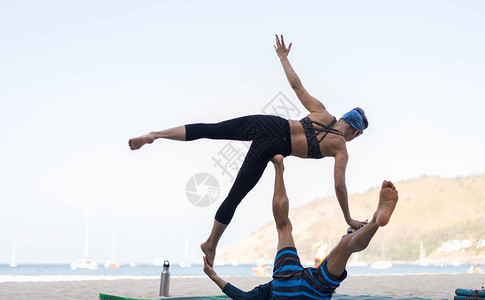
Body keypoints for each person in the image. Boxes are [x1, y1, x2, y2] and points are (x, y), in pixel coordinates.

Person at [129, 35, 369, 267]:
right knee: (236, 195)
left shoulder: (322, 112)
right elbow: (339, 186)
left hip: (270, 124)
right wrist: (348, 218)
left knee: (211, 129)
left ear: (344, 117)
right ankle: (211, 243)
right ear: (356, 133)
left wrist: (283, 58)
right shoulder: (340, 148)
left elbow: (296, 86)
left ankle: (155, 135)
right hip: (274, 148)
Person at [203, 155, 399, 299]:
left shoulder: (265, 294)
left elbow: (244, 298)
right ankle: (278, 165)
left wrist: (214, 278)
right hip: (286, 281)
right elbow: (244, 298)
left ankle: (375, 221)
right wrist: (214, 276)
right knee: (284, 227)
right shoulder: (267, 290)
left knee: (345, 246)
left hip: (310, 290)